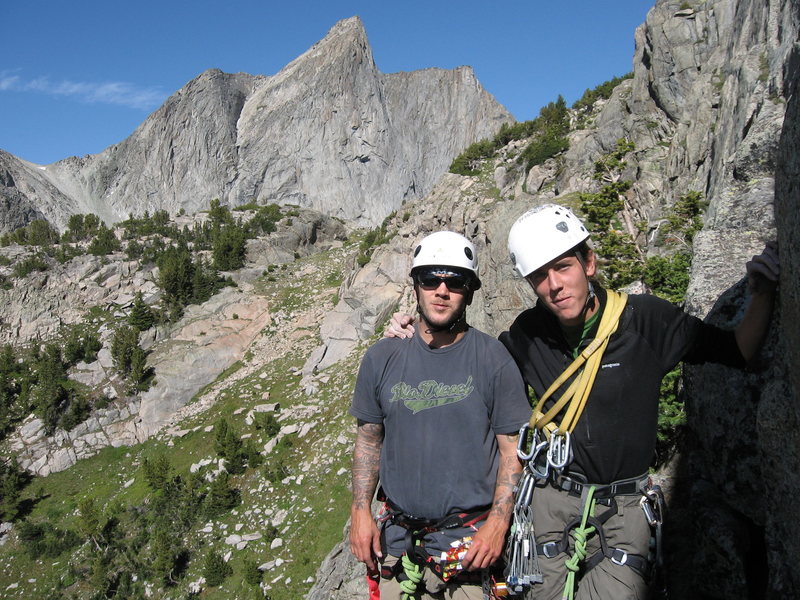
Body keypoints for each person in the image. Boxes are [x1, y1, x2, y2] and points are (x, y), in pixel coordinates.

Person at [385, 204, 779, 600]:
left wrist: (761, 293)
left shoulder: (646, 322)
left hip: (623, 509)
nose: (554, 284)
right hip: (549, 504)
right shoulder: (528, 335)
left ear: (588, 263)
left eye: (563, 267)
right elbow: (470, 367)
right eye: (540, 276)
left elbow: (736, 349)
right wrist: (415, 334)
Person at [349, 231, 532, 599]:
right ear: (416, 286)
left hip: (470, 548)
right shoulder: (382, 357)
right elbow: (369, 440)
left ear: (469, 292)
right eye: (430, 279)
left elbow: (513, 452)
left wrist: (498, 523)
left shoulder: (493, 360)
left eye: (455, 282)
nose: (441, 291)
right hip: (397, 547)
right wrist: (360, 512)